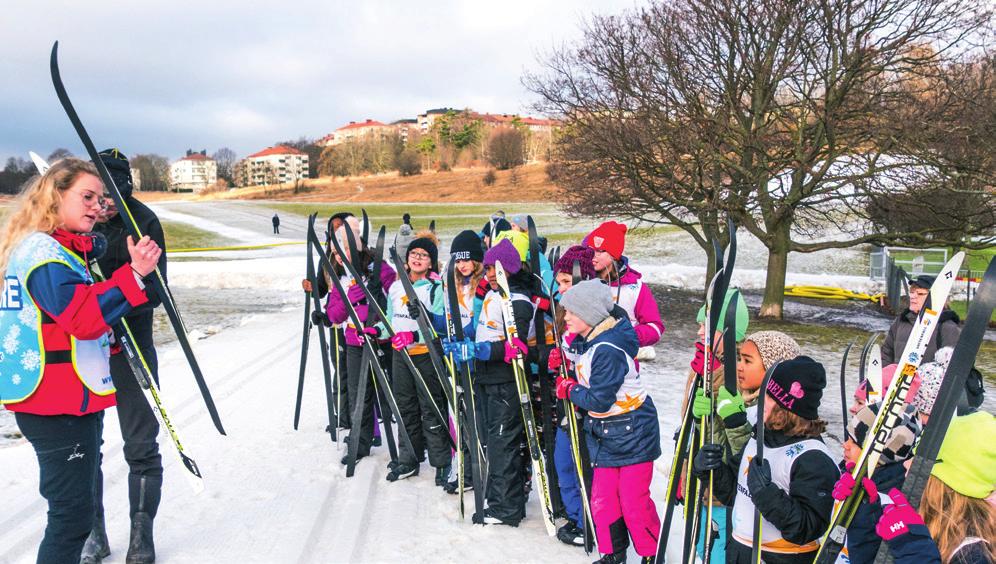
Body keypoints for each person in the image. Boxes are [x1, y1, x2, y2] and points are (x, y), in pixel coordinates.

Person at [0, 158, 160, 564]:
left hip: (67, 400)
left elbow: (61, 316)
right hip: (55, 406)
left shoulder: (52, 246)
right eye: (86, 197)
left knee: (76, 512)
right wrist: (135, 273)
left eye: (100, 199)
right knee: (71, 518)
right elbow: (81, 317)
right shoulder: (43, 252)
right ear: (56, 196)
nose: (96, 206)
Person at [84, 149, 169, 564]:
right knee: (85, 444)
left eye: (113, 195)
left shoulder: (143, 222)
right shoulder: (78, 222)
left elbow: (156, 292)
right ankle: (93, 531)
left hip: (131, 347)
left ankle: (141, 533)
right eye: (99, 196)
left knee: (140, 442)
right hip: (87, 352)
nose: (104, 205)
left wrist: (115, 300)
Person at [557, 279, 662, 564]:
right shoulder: (592, 341)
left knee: (633, 501)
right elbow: (588, 369)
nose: (565, 317)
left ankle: (651, 554)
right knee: (603, 501)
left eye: (571, 312)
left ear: (590, 315)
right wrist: (566, 363)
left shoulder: (608, 349)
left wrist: (570, 389)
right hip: (606, 434)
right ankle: (613, 553)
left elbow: (599, 399)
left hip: (633, 434)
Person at [696, 356, 839, 563]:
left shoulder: (812, 458)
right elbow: (733, 494)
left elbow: (809, 527)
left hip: (781, 558)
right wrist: (712, 470)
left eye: (768, 396)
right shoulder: (760, 437)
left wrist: (766, 494)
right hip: (740, 551)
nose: (760, 401)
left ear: (786, 408)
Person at [874, 411, 996, 563]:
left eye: (921, 460)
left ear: (951, 481)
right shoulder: (934, 522)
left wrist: (914, 552)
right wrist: (866, 517)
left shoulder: (975, 555)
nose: (906, 463)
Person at [684, 290, 751, 563]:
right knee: (702, 546)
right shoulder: (703, 364)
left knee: (717, 550)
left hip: (724, 490)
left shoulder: (738, 373)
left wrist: (716, 411)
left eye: (706, 326)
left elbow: (741, 439)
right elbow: (696, 427)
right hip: (703, 480)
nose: (699, 331)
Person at [472, 239, 534, 526]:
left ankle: (505, 508)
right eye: (486, 269)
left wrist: (489, 351)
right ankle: (500, 497)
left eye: (493, 269)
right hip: (486, 377)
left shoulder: (518, 301)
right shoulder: (493, 295)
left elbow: (516, 346)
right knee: (493, 441)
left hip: (505, 383)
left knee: (502, 443)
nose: (488, 275)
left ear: (508, 269)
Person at [325, 216, 396, 466]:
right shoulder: (340, 276)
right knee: (358, 395)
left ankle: (409, 444)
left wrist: (373, 298)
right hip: (354, 341)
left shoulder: (379, 267)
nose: (342, 255)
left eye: (345, 248)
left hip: (381, 340)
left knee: (392, 392)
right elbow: (333, 315)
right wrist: (348, 301)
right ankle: (360, 441)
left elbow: (396, 299)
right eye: (337, 250)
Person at [383, 232, 450, 483]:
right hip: (400, 356)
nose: (417, 258)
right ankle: (408, 459)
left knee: (431, 407)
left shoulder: (434, 289)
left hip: (425, 356)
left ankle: (441, 462)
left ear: (431, 263)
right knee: (405, 407)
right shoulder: (395, 286)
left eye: (423, 255)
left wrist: (414, 336)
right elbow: (391, 321)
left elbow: (437, 327)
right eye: (413, 254)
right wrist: (375, 331)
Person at [546, 245, 599, 547]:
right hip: (567, 403)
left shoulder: (596, 319)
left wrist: (574, 368)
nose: (562, 289)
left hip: (590, 408)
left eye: (568, 282)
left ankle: (593, 521)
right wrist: (558, 361)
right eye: (560, 282)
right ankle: (579, 518)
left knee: (585, 466)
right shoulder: (564, 315)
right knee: (563, 461)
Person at [832, 403, 920, 563]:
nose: (845, 445)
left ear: (878, 453)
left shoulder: (891, 500)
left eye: (854, 442)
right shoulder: (848, 475)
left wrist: (864, 510)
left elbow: (867, 555)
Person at [584, 221, 664, 360]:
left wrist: (626, 335)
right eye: (591, 250)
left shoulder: (635, 287)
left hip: (621, 362)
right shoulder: (584, 281)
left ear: (614, 255)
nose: (593, 255)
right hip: (585, 359)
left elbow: (655, 328)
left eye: (600, 251)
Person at [881, 275, 960, 365]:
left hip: (928, 378)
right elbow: (886, 354)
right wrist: (885, 376)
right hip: (896, 378)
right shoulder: (901, 321)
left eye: (920, 293)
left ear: (935, 297)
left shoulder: (947, 327)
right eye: (912, 292)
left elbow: (953, 366)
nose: (913, 296)